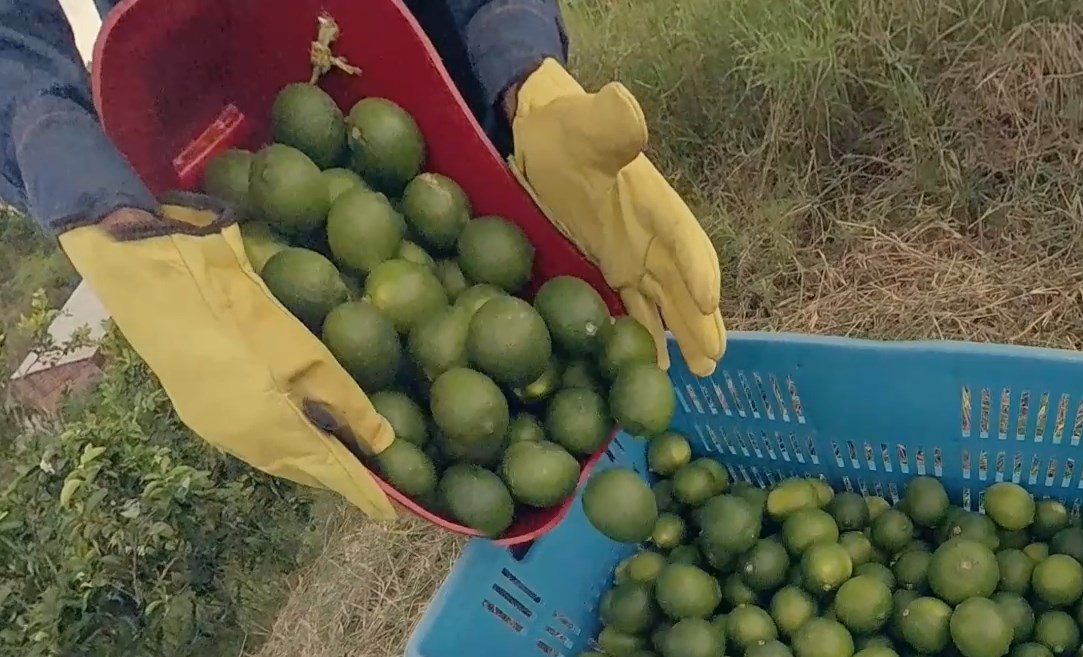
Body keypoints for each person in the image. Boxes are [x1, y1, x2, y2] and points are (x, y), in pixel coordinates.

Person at [0, 0, 725, 519]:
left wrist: (516, 58)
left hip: (392, 56)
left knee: (470, 196)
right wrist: (88, 197)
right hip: (189, 89)